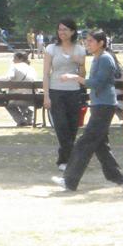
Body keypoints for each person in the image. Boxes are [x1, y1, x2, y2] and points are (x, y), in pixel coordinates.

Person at [53, 31, 123, 191]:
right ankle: (118, 178)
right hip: (99, 104)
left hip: (104, 105)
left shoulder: (105, 59)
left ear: (101, 43)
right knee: (100, 145)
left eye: (90, 41)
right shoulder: (97, 58)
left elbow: (97, 83)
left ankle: (69, 181)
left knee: (84, 142)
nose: (87, 43)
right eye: (86, 41)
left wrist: (74, 78)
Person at [43, 20, 87, 169]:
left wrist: (79, 62)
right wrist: (46, 96)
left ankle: (65, 159)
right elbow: (46, 74)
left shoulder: (80, 49)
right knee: (61, 126)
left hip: (74, 91)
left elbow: (83, 75)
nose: (62, 32)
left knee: (72, 127)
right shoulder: (51, 49)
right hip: (56, 91)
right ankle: (66, 161)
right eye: (60, 29)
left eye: (66, 29)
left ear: (73, 32)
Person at [1, 51, 37, 126]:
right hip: (32, 98)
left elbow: (8, 78)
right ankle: (30, 119)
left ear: (20, 59)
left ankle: (21, 121)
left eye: (14, 58)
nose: (13, 60)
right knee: (22, 97)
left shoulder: (14, 66)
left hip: (17, 98)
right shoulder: (31, 69)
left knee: (9, 105)